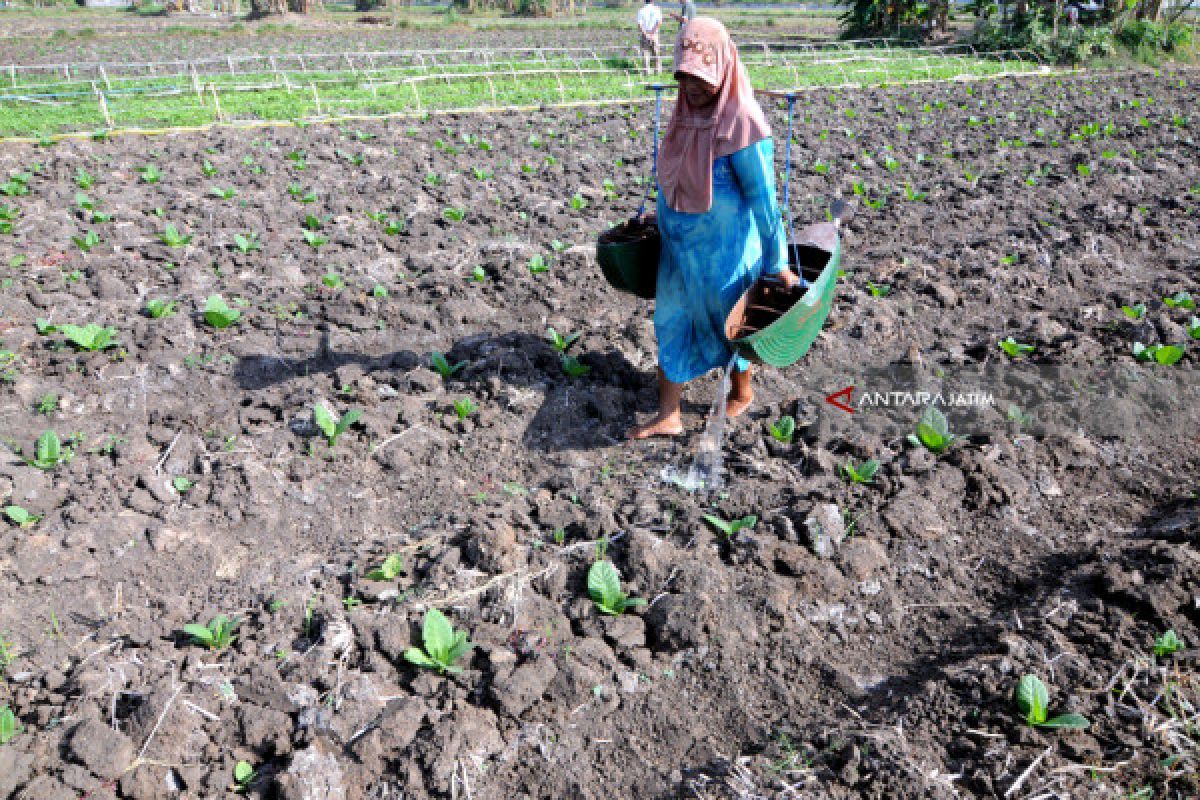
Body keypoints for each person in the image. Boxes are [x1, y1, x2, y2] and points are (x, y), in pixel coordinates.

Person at [629, 18, 799, 440]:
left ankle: (742, 393)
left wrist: (778, 261)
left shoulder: (743, 122)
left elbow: (764, 201)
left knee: (729, 328)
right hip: (679, 252)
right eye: (685, 75)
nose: (692, 87)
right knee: (669, 323)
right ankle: (669, 412)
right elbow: (674, 174)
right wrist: (659, 213)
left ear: (723, 68)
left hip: (727, 254)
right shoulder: (684, 115)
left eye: (702, 77)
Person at [637, 0, 663, 75]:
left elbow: (640, 25)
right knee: (656, 53)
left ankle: (646, 72)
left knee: (645, 53)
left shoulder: (641, 10)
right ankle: (657, 71)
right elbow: (659, 22)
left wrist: (645, 34)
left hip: (645, 34)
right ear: (652, 1)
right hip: (654, 34)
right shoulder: (657, 10)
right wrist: (652, 33)